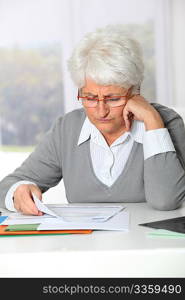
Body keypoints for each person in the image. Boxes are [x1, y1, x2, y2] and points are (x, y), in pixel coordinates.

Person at [0, 24, 185, 215]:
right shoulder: (67, 129)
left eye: (113, 98)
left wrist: (152, 119)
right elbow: (8, 186)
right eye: (89, 98)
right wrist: (18, 192)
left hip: (150, 245)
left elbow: (166, 200)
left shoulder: (167, 123)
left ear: (136, 90)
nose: (101, 110)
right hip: (84, 244)